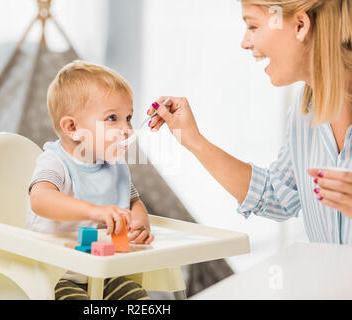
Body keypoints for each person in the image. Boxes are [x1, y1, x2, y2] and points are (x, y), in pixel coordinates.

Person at [147, 0, 351, 244]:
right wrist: (193, 140)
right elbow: (276, 195)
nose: (245, 42)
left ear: (300, 25)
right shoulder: (303, 114)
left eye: (253, 27)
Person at [26, 60, 153, 300]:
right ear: (72, 127)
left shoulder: (116, 167)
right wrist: (95, 211)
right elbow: (40, 199)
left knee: (138, 298)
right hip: (54, 274)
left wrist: (140, 224)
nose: (127, 129)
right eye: (112, 118)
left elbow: (133, 200)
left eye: (128, 118)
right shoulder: (55, 162)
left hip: (104, 273)